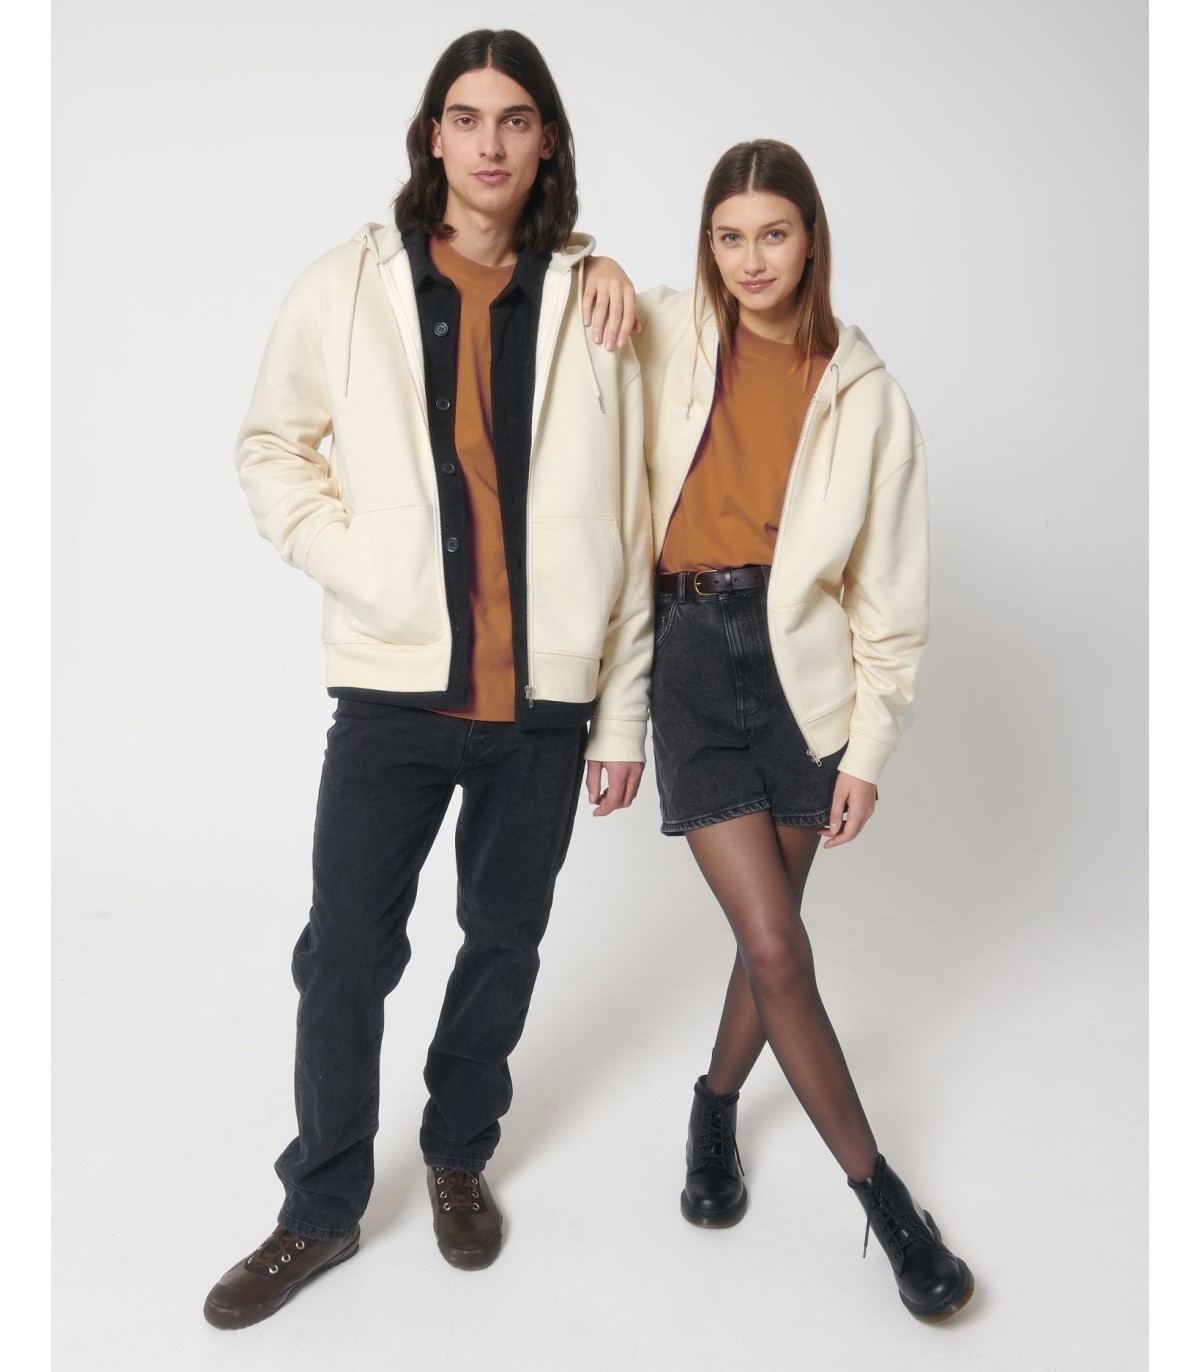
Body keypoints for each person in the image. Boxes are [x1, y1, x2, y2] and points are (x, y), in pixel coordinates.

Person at [203, 29, 650, 1330]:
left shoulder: (594, 304)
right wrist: (362, 565)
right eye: (467, 116)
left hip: (544, 706)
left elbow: (636, 517)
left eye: (515, 119)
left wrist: (620, 713)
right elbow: (272, 445)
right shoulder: (347, 285)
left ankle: (458, 1154)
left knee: (503, 943)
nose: (490, 142)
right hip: (394, 694)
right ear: (433, 136)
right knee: (345, 953)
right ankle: (321, 1206)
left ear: (546, 140)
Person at [631, 139, 974, 1323]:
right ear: (707, 246)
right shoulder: (671, 335)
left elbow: (892, 594)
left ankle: (714, 1105)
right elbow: (568, 283)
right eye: (729, 237)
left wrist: (868, 750)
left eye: (772, 234)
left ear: (811, 239)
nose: (751, 259)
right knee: (776, 944)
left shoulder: (867, 394)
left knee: (767, 939)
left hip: (803, 680)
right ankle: (887, 1202)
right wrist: (592, 268)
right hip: (689, 657)